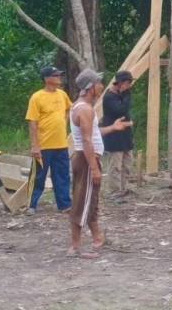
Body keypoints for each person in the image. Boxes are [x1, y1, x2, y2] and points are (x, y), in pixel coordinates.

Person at [68, 68, 131, 258]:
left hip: (86, 158)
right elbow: (87, 141)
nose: (102, 86)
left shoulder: (81, 107)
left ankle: (97, 238)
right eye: (99, 83)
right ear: (90, 87)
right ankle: (76, 246)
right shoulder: (85, 110)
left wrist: (112, 127)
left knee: (91, 201)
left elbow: (93, 134)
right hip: (87, 160)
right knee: (81, 202)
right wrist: (94, 168)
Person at [25, 66, 73, 215]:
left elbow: (68, 109)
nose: (59, 77)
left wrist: (63, 123)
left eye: (60, 75)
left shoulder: (62, 95)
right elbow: (32, 122)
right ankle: (31, 205)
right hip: (44, 144)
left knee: (62, 175)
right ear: (47, 79)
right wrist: (35, 145)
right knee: (38, 175)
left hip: (61, 144)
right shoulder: (37, 97)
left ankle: (64, 205)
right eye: (55, 75)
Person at [102, 70, 135, 199]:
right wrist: (126, 94)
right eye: (128, 82)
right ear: (120, 83)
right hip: (114, 136)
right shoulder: (109, 97)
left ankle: (123, 188)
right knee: (115, 166)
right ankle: (114, 191)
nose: (129, 85)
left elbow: (126, 114)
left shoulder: (122, 95)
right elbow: (121, 110)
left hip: (125, 136)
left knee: (127, 163)